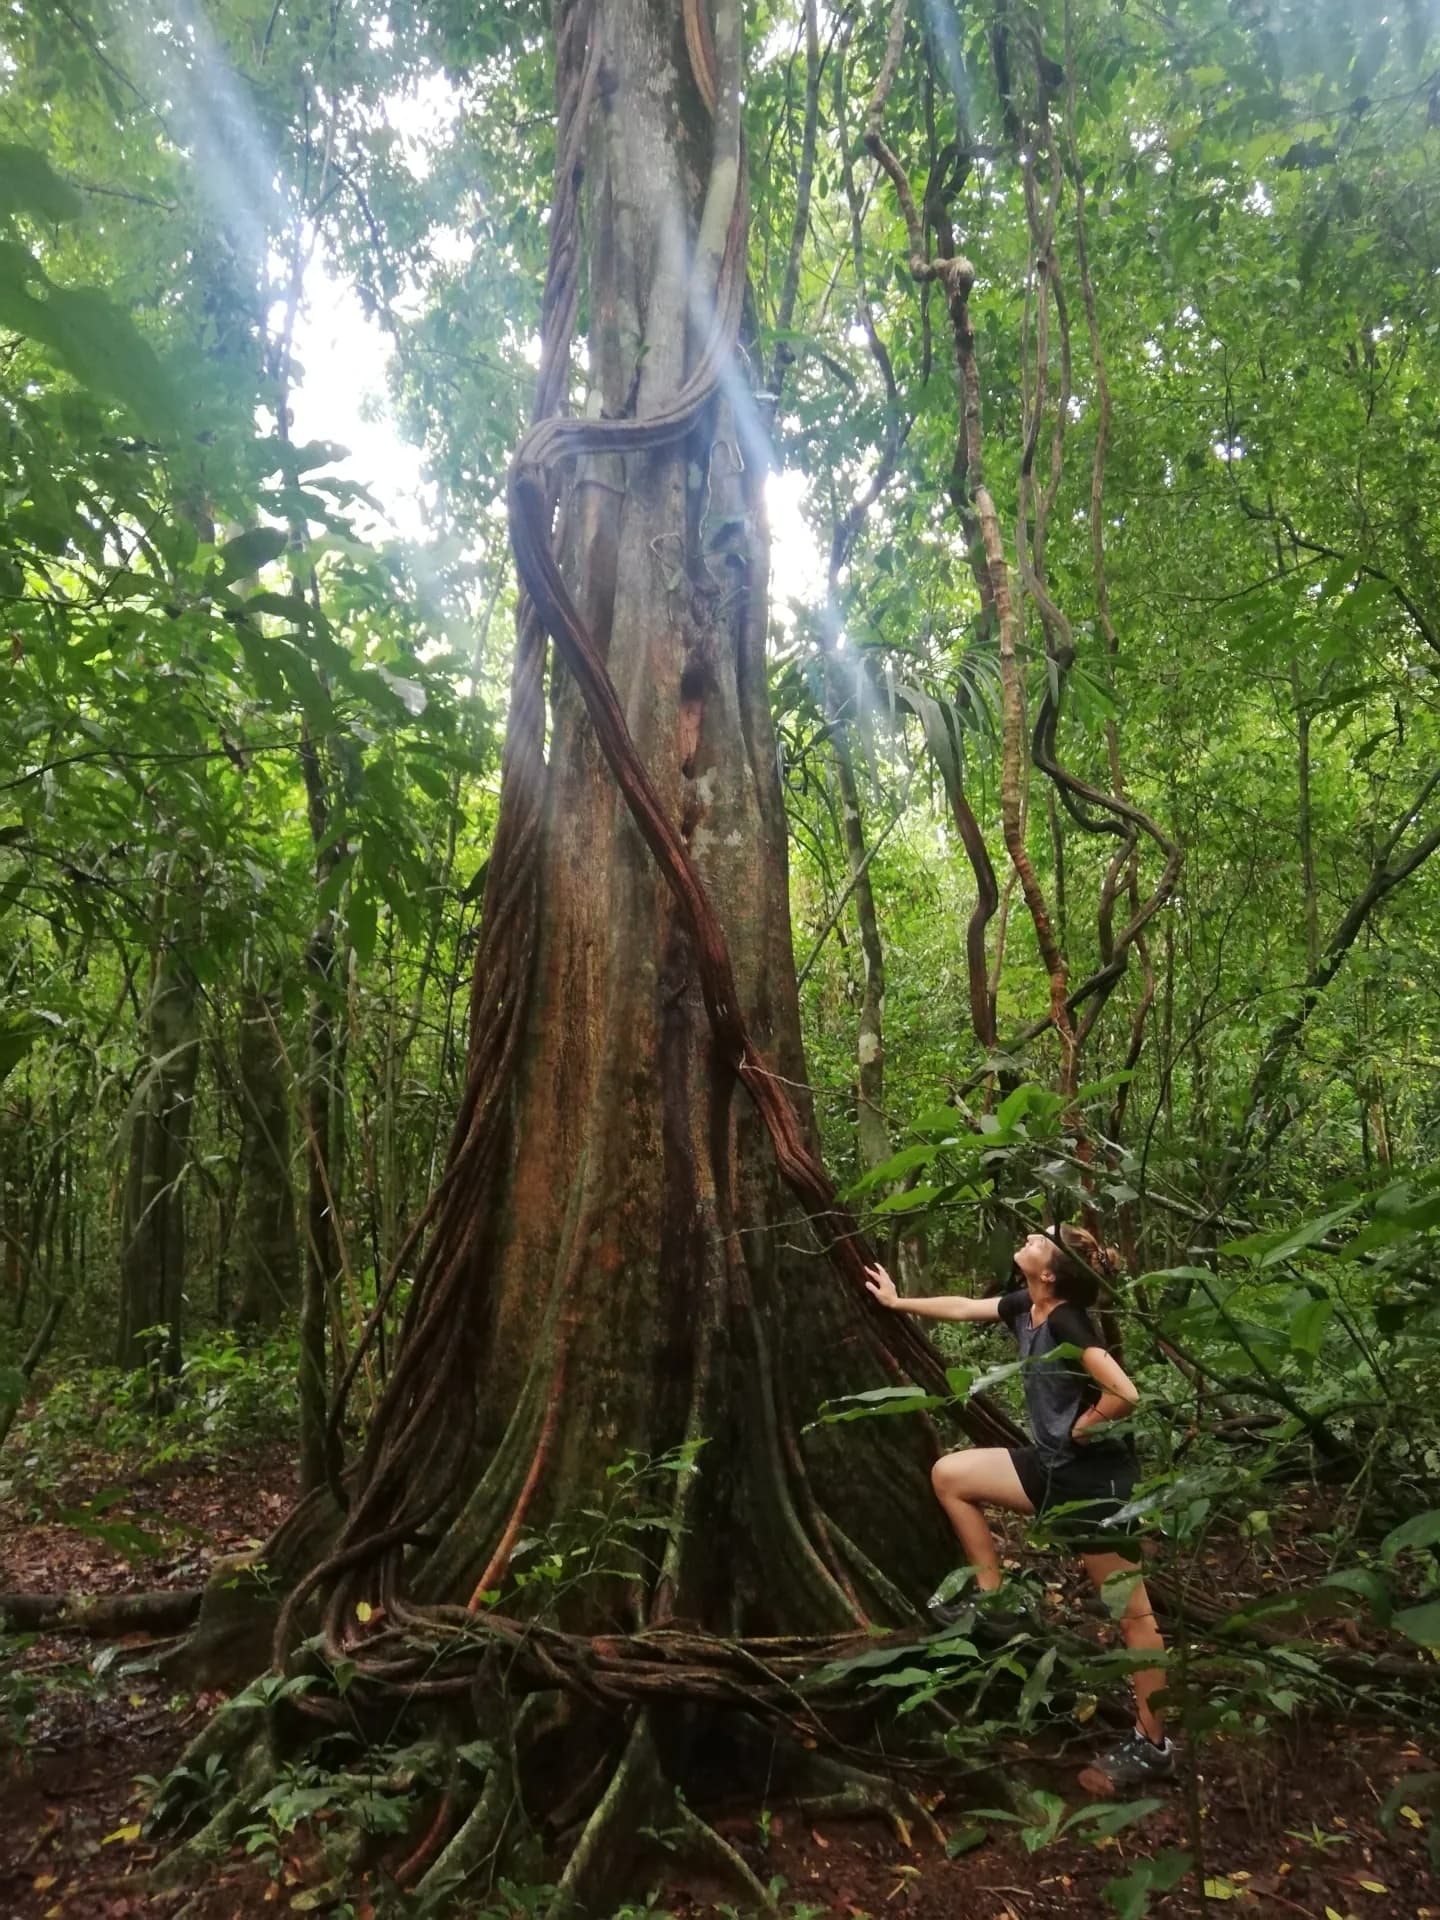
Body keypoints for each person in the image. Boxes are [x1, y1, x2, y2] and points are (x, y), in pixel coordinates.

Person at [865, 1224, 1175, 1788]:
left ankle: (1153, 1743)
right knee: (951, 1475)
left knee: (1133, 1618)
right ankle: (993, 1599)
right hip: (1048, 1468)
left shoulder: (1064, 1321)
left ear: (1051, 1273)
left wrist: (1085, 1426)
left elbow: (1125, 1393)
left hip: (1090, 1486)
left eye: (1043, 1240)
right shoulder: (1026, 1305)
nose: (1031, 1235)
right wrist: (896, 1300)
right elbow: (962, 1307)